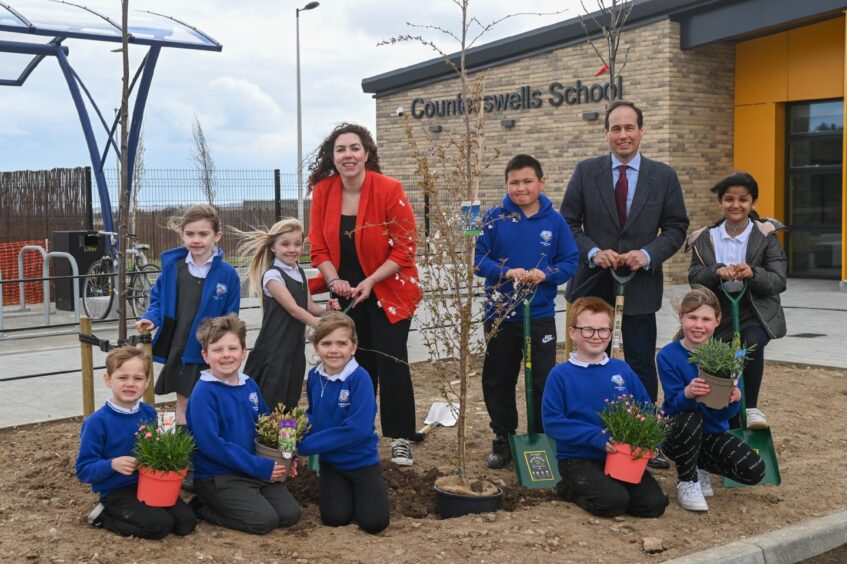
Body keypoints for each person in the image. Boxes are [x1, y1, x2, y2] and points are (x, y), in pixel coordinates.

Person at [560, 100, 689, 469]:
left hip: (639, 286)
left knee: (639, 362)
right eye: (615, 129)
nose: (623, 135)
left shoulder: (663, 176)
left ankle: (643, 438)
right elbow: (569, 222)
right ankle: (588, 434)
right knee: (587, 360)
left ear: (641, 132)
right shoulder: (586, 172)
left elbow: (677, 226)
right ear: (606, 134)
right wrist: (593, 251)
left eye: (629, 127)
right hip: (592, 285)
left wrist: (647, 254)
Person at [307, 123, 422, 466]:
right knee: (356, 364)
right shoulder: (324, 192)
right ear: (333, 156)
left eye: (354, 148)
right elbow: (319, 247)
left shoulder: (389, 189)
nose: (348, 155)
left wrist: (370, 280)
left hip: (387, 287)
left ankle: (399, 436)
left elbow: (405, 249)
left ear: (367, 153)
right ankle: (358, 431)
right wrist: (333, 280)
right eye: (341, 150)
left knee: (391, 361)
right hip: (346, 290)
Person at [474, 153, 579, 468]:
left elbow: (570, 261)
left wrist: (547, 275)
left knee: (543, 379)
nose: (520, 188)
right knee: (498, 378)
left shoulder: (554, 220)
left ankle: (542, 435)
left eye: (527, 181)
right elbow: (479, 260)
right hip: (501, 314)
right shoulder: (494, 218)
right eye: (514, 182)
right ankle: (503, 438)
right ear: (506, 184)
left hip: (540, 314)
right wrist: (506, 272)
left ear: (541, 182)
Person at [542, 297, 668, 518]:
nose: (596, 336)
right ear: (573, 333)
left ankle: (614, 490)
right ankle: (569, 488)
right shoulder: (560, 375)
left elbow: (646, 408)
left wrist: (651, 439)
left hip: (622, 457)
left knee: (653, 505)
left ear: (610, 334)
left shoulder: (621, 369)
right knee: (613, 504)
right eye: (588, 330)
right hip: (579, 457)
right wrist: (597, 437)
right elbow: (553, 423)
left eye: (603, 330)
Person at [687, 171, 787, 429]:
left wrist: (754, 273)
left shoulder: (765, 235)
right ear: (721, 202)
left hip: (753, 309)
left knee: (750, 344)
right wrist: (715, 270)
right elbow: (695, 276)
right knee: (720, 356)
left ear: (753, 203)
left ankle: (751, 407)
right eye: (729, 199)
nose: (736, 205)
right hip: (718, 309)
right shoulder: (705, 238)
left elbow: (778, 279)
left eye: (743, 199)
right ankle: (725, 410)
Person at [186, 314, 300, 534]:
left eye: (232, 348)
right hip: (219, 475)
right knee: (263, 522)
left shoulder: (249, 384)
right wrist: (260, 467)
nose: (226, 355)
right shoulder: (204, 393)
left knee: (289, 514)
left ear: (244, 352)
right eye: (217, 350)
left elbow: (269, 423)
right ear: (205, 355)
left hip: (252, 469)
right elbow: (211, 445)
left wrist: (289, 455)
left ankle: (245, 499)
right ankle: (203, 507)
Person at [657, 286, 766, 512]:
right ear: (681, 318)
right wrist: (687, 393)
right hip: (677, 432)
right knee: (690, 416)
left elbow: (725, 417)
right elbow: (674, 406)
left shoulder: (729, 358)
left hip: (711, 433)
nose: (698, 325)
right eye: (692, 317)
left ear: (717, 320)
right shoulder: (668, 355)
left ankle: (700, 465)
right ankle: (687, 481)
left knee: (754, 469)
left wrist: (734, 400)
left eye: (706, 319)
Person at [75, 346, 196, 539]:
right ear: (108, 380)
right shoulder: (97, 422)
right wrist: (111, 464)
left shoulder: (149, 413)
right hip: (117, 490)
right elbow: (84, 469)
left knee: (186, 523)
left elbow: (165, 450)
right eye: (122, 378)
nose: (130, 384)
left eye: (138, 378)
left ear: (147, 382)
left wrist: (171, 441)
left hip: (151, 484)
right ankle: (104, 516)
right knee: (159, 526)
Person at [135, 204, 240, 426]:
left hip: (210, 351)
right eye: (190, 234)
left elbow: (232, 318)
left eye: (203, 234)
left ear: (217, 235)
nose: (196, 239)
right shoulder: (173, 269)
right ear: (182, 235)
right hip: (181, 349)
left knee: (211, 402)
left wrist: (225, 347)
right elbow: (158, 301)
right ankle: (185, 454)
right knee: (184, 402)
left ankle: (210, 449)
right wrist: (151, 318)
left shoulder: (228, 275)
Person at [297, 312, 390, 534]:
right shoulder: (314, 377)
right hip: (332, 464)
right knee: (335, 518)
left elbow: (357, 429)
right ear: (316, 347)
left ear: (353, 347)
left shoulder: (360, 379)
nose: (334, 350)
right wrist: (293, 432)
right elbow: (313, 415)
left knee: (374, 523)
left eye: (341, 343)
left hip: (361, 463)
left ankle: (365, 495)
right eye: (326, 343)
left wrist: (304, 447)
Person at [237, 218, 339, 412]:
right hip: (274, 349)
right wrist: (319, 325)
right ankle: (262, 441)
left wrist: (326, 311)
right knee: (269, 401)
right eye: (285, 244)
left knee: (290, 400)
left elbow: (308, 306)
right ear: (273, 247)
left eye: (297, 244)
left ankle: (286, 441)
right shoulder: (272, 276)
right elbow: (293, 309)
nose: (292, 249)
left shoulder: (299, 272)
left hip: (294, 349)